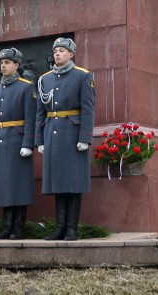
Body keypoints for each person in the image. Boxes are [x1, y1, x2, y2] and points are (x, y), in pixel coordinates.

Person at [35, 37, 95, 241]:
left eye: (61, 50)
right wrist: (39, 140)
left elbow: (88, 109)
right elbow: (40, 113)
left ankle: (72, 228)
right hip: (52, 133)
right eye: (55, 51)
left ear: (71, 54)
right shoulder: (45, 79)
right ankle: (60, 227)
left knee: (73, 182)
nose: (57, 54)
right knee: (58, 183)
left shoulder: (83, 76)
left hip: (72, 134)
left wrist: (85, 137)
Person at [0, 47, 36, 240]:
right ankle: (6, 226)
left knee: (18, 185)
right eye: (1, 63)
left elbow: (30, 118)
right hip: (0, 141)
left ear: (17, 65)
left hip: (17, 142)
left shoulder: (26, 87)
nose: (3, 66)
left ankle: (18, 227)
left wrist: (27, 143)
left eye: (7, 62)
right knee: (4, 186)